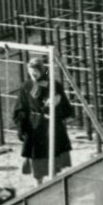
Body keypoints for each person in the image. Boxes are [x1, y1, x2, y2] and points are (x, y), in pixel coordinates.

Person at [13, 56, 74, 186]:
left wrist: (57, 104)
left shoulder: (54, 85)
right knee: (37, 160)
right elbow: (20, 109)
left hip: (52, 125)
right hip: (35, 127)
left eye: (36, 71)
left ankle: (54, 182)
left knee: (54, 156)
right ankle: (38, 185)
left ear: (42, 70)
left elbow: (67, 110)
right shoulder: (27, 86)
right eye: (30, 71)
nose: (33, 73)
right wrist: (22, 127)